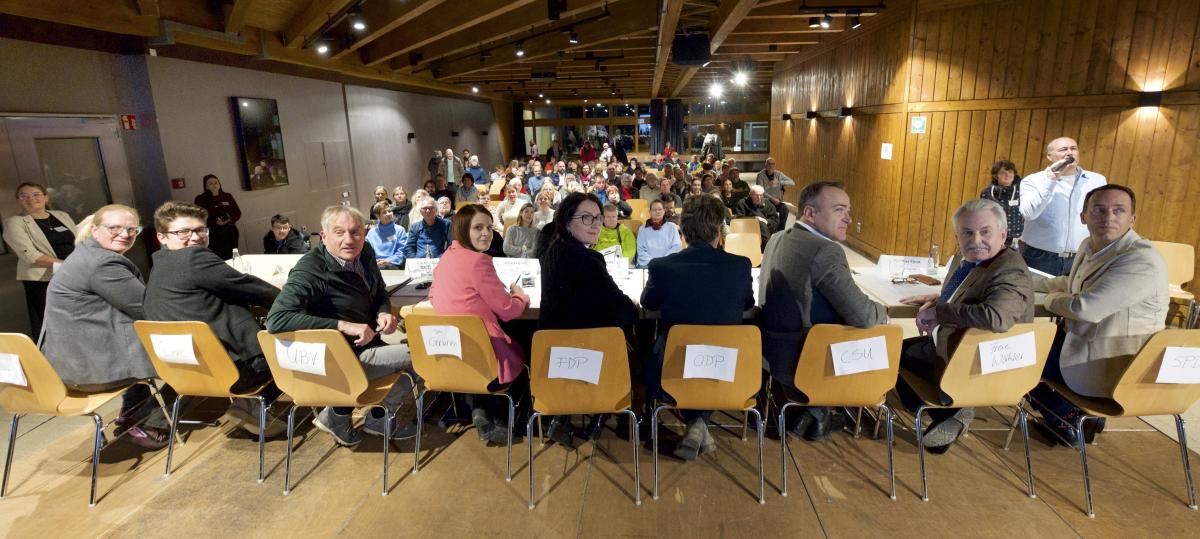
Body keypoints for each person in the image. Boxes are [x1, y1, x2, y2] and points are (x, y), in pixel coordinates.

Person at [266, 206, 419, 444]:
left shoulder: (365, 251)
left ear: (364, 234)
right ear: (324, 236)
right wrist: (342, 325)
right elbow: (277, 319)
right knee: (425, 353)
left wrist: (383, 313)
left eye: (355, 232)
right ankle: (379, 417)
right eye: (339, 232)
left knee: (413, 351)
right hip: (342, 359)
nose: (349, 239)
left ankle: (337, 415)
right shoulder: (311, 270)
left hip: (368, 344)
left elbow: (379, 290)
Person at [1028, 185, 1168, 446]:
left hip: (1112, 361)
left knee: (1014, 359)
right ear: (1084, 217)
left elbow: (1085, 308)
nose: (1109, 217)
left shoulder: (1141, 260)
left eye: (1119, 211)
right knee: (1018, 343)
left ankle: (1067, 419)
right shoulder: (1090, 245)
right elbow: (1068, 283)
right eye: (1099, 210)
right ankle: (1079, 416)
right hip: (1084, 342)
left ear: (1132, 219)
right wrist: (1023, 282)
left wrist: (1040, 300)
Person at [896, 199, 1034, 454]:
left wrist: (941, 311)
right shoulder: (969, 258)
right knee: (897, 353)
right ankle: (951, 409)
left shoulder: (1010, 269)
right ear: (957, 235)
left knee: (893, 359)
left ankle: (953, 407)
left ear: (1003, 234)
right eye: (967, 232)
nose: (975, 239)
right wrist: (940, 299)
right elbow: (975, 292)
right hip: (958, 344)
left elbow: (997, 317)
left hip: (982, 359)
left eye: (985, 231)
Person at [760, 182, 887, 440]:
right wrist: (883, 311)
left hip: (772, 355)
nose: (849, 218)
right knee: (881, 331)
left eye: (848, 211)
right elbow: (862, 315)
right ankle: (823, 409)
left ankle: (817, 413)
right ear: (809, 214)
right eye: (839, 210)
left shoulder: (776, 238)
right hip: (806, 363)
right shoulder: (826, 251)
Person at [145, 201, 284, 437]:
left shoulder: (159, 264)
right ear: (162, 237)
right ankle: (253, 405)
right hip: (232, 372)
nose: (195, 237)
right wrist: (287, 298)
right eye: (183, 232)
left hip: (186, 372)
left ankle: (248, 405)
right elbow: (249, 287)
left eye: (200, 230)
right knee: (303, 345)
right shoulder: (194, 258)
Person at [41, 204, 170, 449]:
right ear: (95, 229)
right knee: (189, 353)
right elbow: (147, 309)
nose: (125, 234)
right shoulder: (103, 263)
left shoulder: (83, 255)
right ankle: (150, 423)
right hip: (91, 371)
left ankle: (133, 414)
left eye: (132, 229)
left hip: (67, 367)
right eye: (115, 227)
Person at [642, 194, 754, 460]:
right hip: (729, 366)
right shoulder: (740, 266)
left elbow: (648, 302)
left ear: (683, 232)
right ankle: (699, 423)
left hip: (673, 364)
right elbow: (747, 303)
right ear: (719, 231)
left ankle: (696, 423)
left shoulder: (662, 267)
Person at [536, 193, 639, 445]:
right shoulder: (589, 259)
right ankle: (617, 416)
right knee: (638, 342)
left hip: (556, 355)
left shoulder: (552, 252)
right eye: (586, 218)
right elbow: (625, 310)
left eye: (598, 218)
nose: (595, 224)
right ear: (567, 222)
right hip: (591, 353)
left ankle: (569, 415)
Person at [427, 204, 530, 443]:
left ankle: (477, 407)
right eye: (478, 228)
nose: (486, 233)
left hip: (451, 355)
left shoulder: (447, 257)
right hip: (485, 357)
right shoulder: (479, 262)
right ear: (463, 230)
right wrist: (520, 295)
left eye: (489, 227)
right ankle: (500, 414)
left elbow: (433, 296)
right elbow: (508, 311)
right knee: (525, 341)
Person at [1019, 137, 1107, 275]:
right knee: (1038, 295)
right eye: (1063, 149)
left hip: (1081, 257)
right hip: (1040, 257)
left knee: (1076, 296)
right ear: (1049, 156)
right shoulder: (1033, 181)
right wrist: (1049, 181)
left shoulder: (1097, 181)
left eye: (1073, 148)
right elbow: (1028, 214)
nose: (1069, 153)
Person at [4, 182, 77, 338]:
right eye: (24, 196)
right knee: (53, 324)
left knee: (77, 317)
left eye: (36, 194)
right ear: (18, 200)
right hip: (43, 279)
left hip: (74, 274)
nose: (31, 199)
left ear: (45, 197)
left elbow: (79, 240)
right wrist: (67, 267)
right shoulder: (14, 222)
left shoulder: (61, 215)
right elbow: (29, 255)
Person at [194, 174, 241, 259]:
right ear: (206, 186)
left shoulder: (227, 196)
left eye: (216, 182)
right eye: (210, 183)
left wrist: (228, 220)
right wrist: (214, 222)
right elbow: (198, 217)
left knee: (232, 255)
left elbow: (237, 213)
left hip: (230, 231)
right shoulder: (200, 199)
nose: (214, 185)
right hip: (213, 233)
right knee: (218, 257)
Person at [979, 160, 1023, 248]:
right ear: (996, 176)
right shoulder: (987, 193)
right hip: (995, 238)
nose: (1007, 175)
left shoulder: (1024, 191)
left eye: (1010, 172)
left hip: (1019, 240)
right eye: (1003, 173)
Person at [636, 199, 682, 268]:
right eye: (654, 210)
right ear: (650, 212)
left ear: (664, 211)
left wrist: (664, 261)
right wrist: (654, 263)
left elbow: (676, 247)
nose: (657, 212)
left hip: (668, 263)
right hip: (648, 265)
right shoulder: (642, 229)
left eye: (660, 209)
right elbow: (641, 250)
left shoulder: (672, 227)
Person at [366, 202, 407, 269]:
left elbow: (401, 252)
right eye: (384, 212)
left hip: (393, 263)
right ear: (378, 216)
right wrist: (374, 261)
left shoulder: (400, 230)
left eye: (390, 211)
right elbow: (368, 252)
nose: (388, 214)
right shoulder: (371, 233)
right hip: (375, 263)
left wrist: (388, 260)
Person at [757, 158, 795, 226]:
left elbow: (792, 182)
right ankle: (770, 228)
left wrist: (779, 182)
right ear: (765, 165)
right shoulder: (760, 175)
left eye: (772, 164)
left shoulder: (779, 174)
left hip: (777, 201)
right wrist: (772, 198)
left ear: (775, 165)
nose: (770, 166)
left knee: (785, 209)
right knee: (770, 212)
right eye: (769, 164)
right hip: (766, 201)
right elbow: (761, 191)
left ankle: (780, 229)